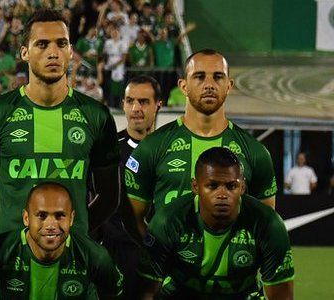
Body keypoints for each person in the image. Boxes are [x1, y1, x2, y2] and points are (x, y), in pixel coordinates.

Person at [0, 8, 120, 255]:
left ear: (71, 51)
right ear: (24, 53)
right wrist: (7, 234)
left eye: (61, 43)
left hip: (74, 261)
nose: (53, 52)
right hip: (11, 260)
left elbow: (109, 195)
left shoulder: (96, 115)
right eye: (42, 44)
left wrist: (77, 232)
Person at [125, 49, 278, 239]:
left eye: (218, 77)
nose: (209, 85)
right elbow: (132, 220)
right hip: (169, 269)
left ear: (229, 86)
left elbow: (267, 225)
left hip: (233, 269)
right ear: (183, 86)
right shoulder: (151, 147)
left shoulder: (255, 152)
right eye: (199, 77)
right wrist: (157, 255)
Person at [142, 147, 294, 298]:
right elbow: (146, 291)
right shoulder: (168, 221)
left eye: (231, 186)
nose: (222, 195)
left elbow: (281, 295)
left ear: (242, 187)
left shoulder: (268, 224)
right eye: (212, 186)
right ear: (195, 187)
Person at [0, 182, 123, 299]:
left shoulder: (95, 255)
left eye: (60, 215)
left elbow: (114, 292)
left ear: (72, 218)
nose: (51, 225)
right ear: (26, 218)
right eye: (42, 216)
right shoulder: (1, 247)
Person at [100, 74, 162, 299]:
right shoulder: (107, 151)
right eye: (130, 101)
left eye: (144, 102)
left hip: (159, 255)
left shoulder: (171, 149)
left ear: (158, 105)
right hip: (115, 254)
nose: (136, 108)